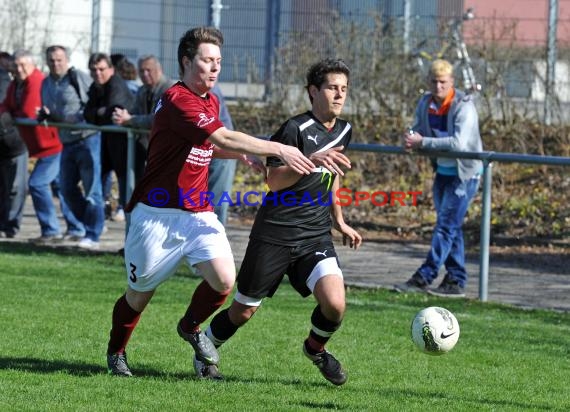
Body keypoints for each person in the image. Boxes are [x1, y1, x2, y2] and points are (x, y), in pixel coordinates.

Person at [105, 27, 347, 378]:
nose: (215, 69)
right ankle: (116, 352)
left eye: (219, 62)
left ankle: (190, 326)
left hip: (198, 211)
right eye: (207, 61)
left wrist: (239, 155)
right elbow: (220, 134)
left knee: (223, 280)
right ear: (187, 61)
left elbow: (211, 144)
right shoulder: (178, 99)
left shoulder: (210, 99)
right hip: (157, 214)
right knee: (139, 294)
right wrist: (278, 147)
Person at [201, 58, 361, 385]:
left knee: (335, 303)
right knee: (244, 310)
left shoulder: (345, 130)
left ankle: (315, 349)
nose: (339, 95)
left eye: (344, 89)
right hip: (275, 234)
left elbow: (335, 178)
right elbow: (273, 180)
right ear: (313, 91)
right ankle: (206, 348)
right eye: (332, 87)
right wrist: (310, 160)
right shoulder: (294, 129)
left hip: (315, 236)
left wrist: (340, 221)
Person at [393, 58, 483, 298]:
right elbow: (418, 127)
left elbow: (458, 143)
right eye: (434, 81)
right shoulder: (425, 102)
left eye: (443, 81)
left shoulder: (464, 105)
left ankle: (425, 276)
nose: (438, 86)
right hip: (442, 172)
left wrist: (422, 142)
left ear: (451, 82)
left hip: (465, 174)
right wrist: (411, 136)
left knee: (445, 226)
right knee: (451, 226)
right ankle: (455, 279)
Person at [0, 49, 82, 243]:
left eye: (23, 65)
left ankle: (52, 230)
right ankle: (76, 228)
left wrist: (11, 116)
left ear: (32, 65)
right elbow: (5, 105)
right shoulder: (16, 84)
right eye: (16, 65)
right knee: (61, 188)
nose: (19, 69)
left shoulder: (36, 81)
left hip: (52, 145)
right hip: (40, 146)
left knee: (37, 184)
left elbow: (29, 111)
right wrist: (9, 112)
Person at [40, 45, 106, 249]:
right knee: (66, 190)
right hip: (67, 142)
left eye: (59, 59)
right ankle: (92, 223)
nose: (55, 63)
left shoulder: (78, 78)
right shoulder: (46, 83)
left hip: (88, 139)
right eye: (51, 60)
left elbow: (93, 103)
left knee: (92, 191)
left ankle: (93, 235)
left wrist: (77, 117)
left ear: (66, 60)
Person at [84, 53, 135, 228]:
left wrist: (96, 113)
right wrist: (99, 113)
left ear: (111, 69)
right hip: (106, 143)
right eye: (93, 70)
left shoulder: (116, 85)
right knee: (99, 182)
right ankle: (100, 218)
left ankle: (126, 220)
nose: (97, 73)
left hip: (123, 144)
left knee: (125, 186)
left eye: (101, 69)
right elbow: (88, 113)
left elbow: (114, 112)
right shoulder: (95, 86)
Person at [112, 55, 175, 187]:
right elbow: (134, 113)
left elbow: (158, 119)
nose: (145, 74)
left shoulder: (170, 90)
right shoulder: (142, 90)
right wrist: (121, 116)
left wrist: (130, 119)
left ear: (159, 70)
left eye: (148, 70)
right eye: (141, 71)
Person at [208, 84, 236, 224]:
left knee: (216, 205)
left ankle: (216, 242)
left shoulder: (211, 92)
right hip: (212, 151)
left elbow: (220, 137)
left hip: (223, 155)